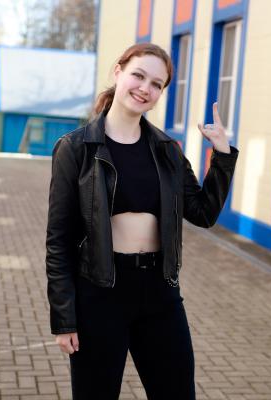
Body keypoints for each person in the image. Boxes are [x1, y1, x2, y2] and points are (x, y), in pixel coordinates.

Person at [45, 42, 239, 400]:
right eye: (138, 75)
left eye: (156, 84)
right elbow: (59, 239)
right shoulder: (76, 148)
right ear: (118, 72)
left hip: (160, 292)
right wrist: (64, 318)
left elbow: (203, 212)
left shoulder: (167, 150)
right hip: (100, 293)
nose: (145, 88)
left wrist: (222, 155)